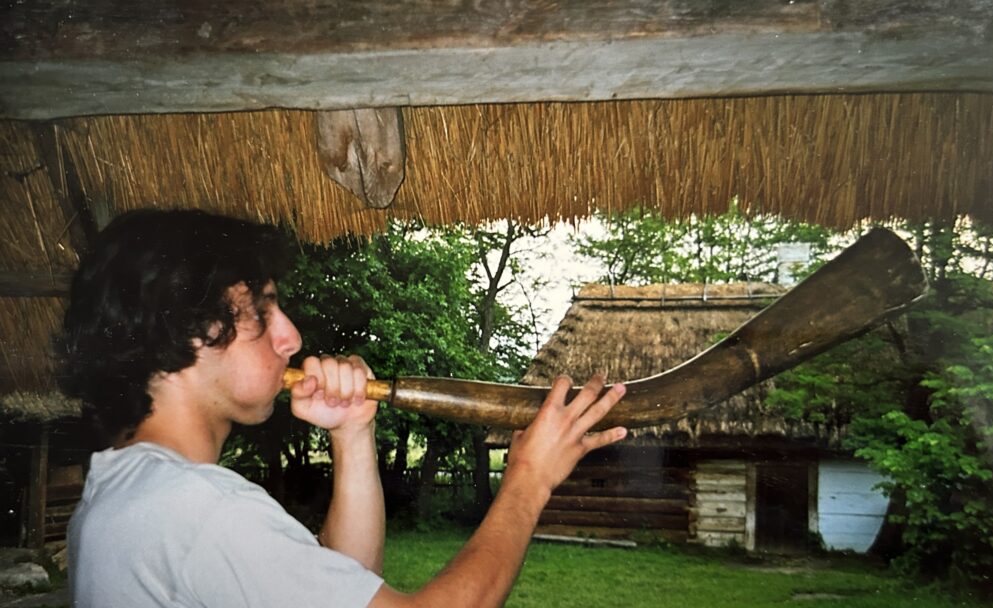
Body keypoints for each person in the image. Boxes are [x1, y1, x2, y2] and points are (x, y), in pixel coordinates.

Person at [60, 208, 627, 607]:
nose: (290, 337)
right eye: (262, 311)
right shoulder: (195, 509)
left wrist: (353, 434)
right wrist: (529, 481)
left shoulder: (128, 491)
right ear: (184, 331)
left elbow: (346, 586)